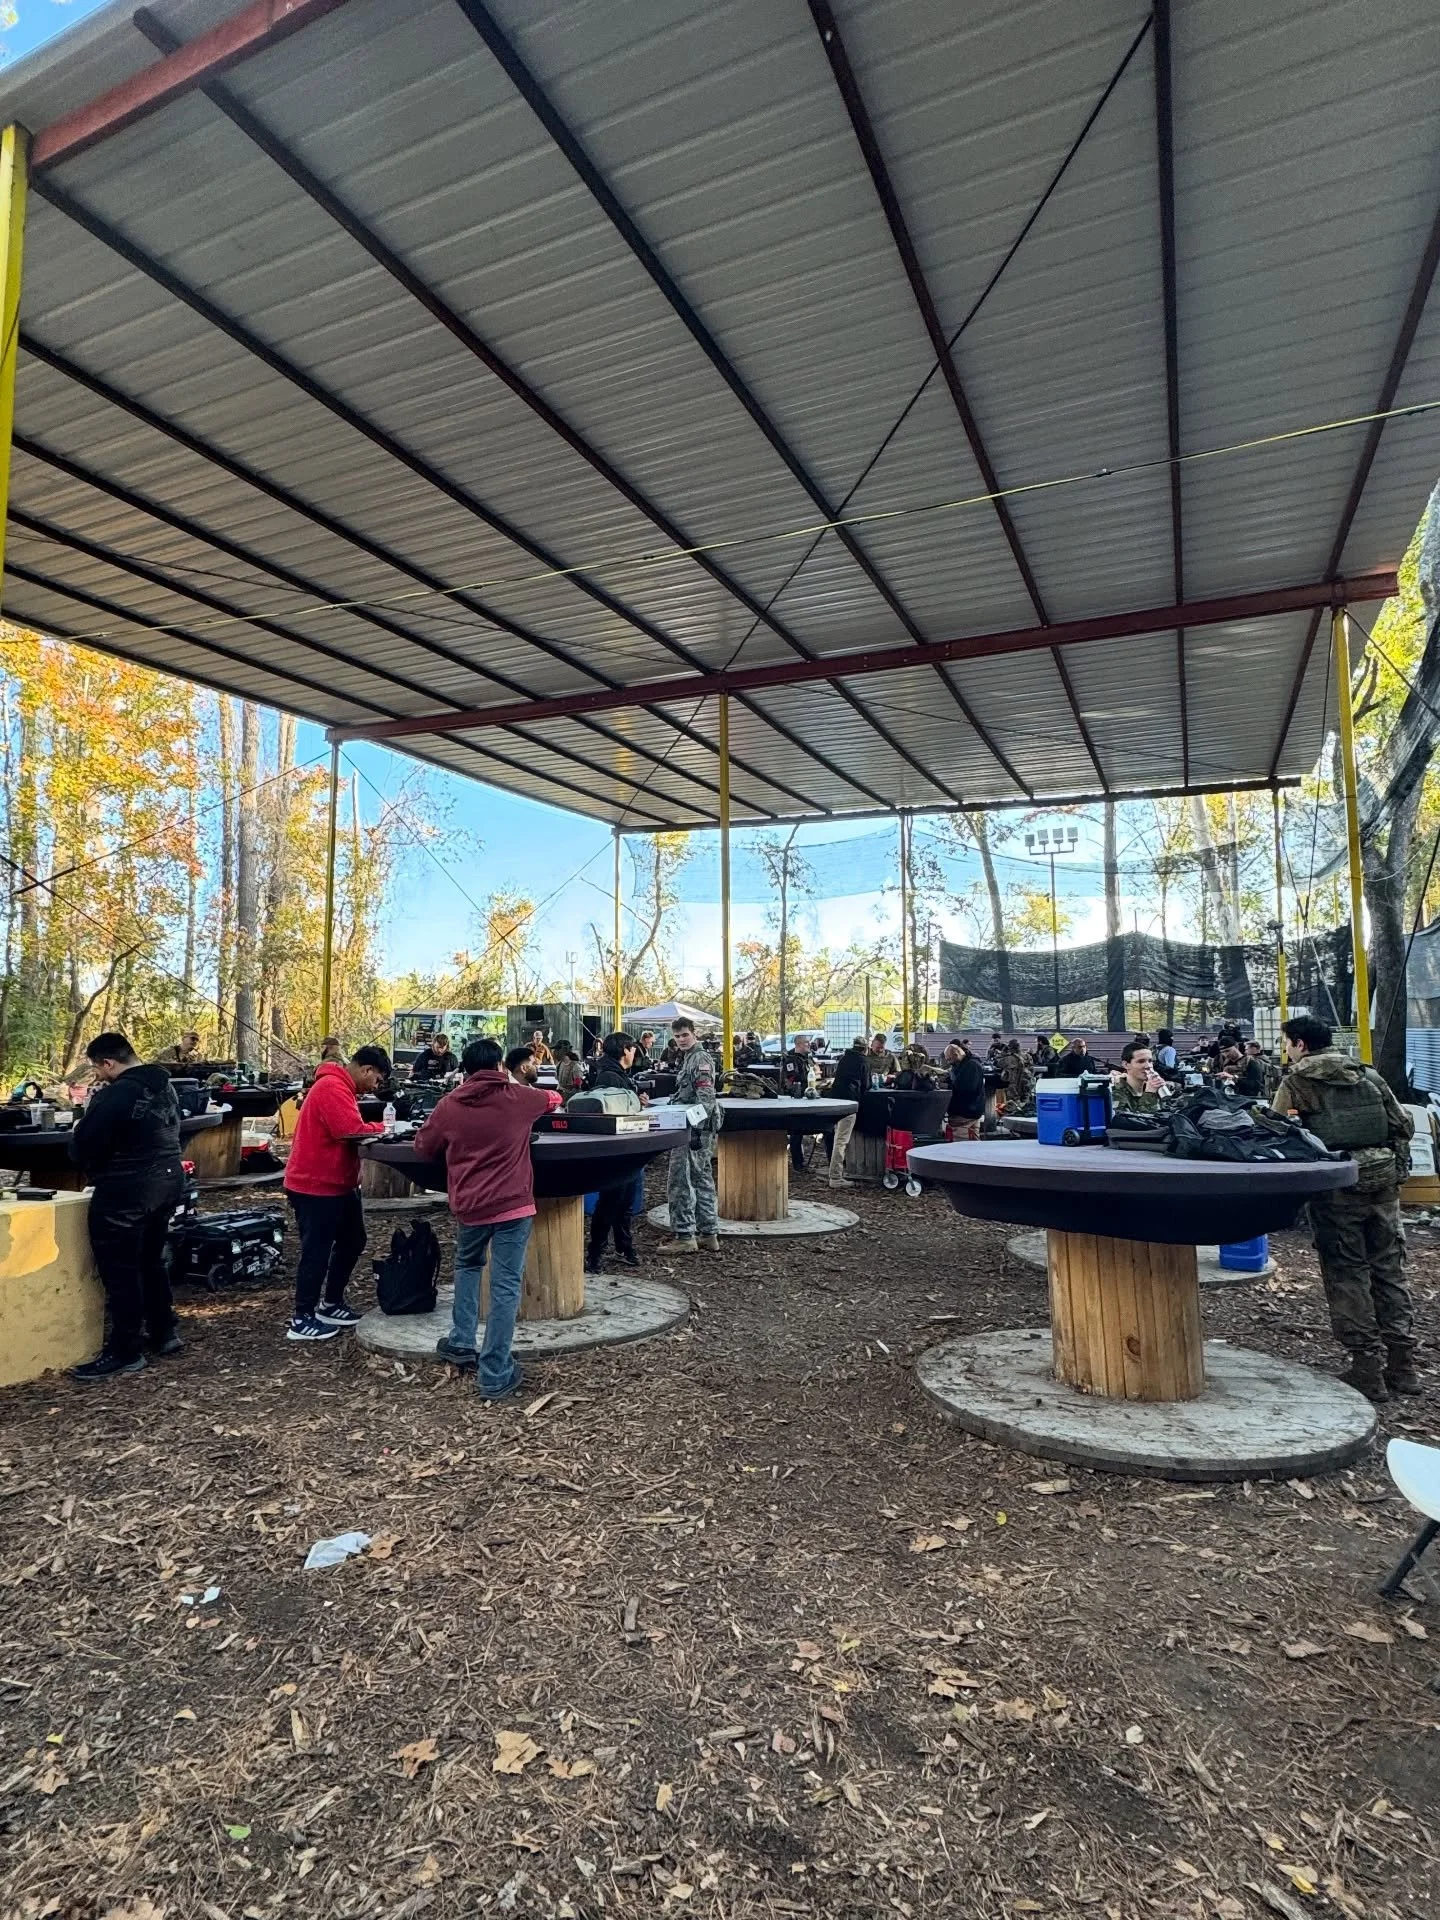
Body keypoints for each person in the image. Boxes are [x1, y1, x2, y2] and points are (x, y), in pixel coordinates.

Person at [1273, 1016, 1418, 1402]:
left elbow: (1279, 1135)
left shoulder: (1297, 1083)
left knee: (1347, 1273)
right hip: (1383, 1188)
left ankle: (1366, 1368)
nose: (1286, 1049)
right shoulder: (1368, 1076)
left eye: (1287, 1042)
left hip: (1336, 1191)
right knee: (1389, 1271)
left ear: (1300, 1045)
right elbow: (1402, 1125)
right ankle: (1403, 1366)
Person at [414, 1036, 553, 1400]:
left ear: (465, 1068)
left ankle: (461, 1340)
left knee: (468, 1266)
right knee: (505, 1286)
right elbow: (554, 1099)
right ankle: (495, 1371)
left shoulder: (449, 1105)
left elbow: (424, 1147)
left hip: (471, 1206)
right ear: (500, 1067)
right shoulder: (519, 1099)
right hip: (513, 1205)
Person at [66, 1032, 186, 1380]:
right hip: (167, 1182)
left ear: (109, 1062)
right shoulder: (165, 1085)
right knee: (151, 1260)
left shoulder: (117, 1094)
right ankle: (164, 1331)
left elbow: (83, 1146)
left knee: (120, 1270)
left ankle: (124, 1350)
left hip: (126, 1190)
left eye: (98, 1068)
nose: (99, 1076)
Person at [281, 1043, 391, 1341]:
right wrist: (385, 1127)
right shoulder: (331, 1086)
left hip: (338, 1184)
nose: (375, 1086)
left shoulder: (340, 1087)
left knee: (353, 1240)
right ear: (367, 1069)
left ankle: (330, 1303)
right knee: (315, 1250)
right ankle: (302, 1317)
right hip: (315, 1185)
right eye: (377, 1079)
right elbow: (348, 1130)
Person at [585, 1032, 645, 1274]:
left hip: (624, 1147)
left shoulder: (614, 1073)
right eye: (632, 1049)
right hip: (616, 1149)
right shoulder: (610, 1076)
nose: (635, 1054)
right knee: (610, 1202)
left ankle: (623, 1246)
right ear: (624, 1050)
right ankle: (595, 1254)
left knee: (625, 1201)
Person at [661, 1016, 720, 1255]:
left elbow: (706, 1100)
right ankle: (708, 1232)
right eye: (677, 1036)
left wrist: (694, 1129)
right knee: (701, 1178)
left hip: (694, 1129)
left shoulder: (700, 1059)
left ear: (694, 1033)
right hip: (694, 1126)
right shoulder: (690, 1058)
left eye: (685, 1035)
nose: (681, 1040)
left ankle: (685, 1235)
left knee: (680, 1180)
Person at [824, 1035, 867, 1187]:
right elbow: (865, 1085)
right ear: (864, 1049)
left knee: (835, 1136)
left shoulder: (843, 1058)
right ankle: (835, 1176)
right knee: (841, 1140)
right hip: (849, 1102)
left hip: (834, 1100)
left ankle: (832, 1168)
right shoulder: (863, 1061)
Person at [782, 1033, 816, 1170]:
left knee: (801, 1130)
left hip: (808, 1097)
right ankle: (797, 1163)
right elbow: (794, 1078)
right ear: (798, 1044)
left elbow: (816, 1071)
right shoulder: (790, 1060)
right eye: (806, 1043)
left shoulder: (807, 1059)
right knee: (796, 1131)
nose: (809, 1045)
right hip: (795, 1099)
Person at [943, 1039, 986, 1140]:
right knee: (973, 1139)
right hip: (974, 1109)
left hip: (965, 1110)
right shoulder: (967, 1063)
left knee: (961, 1142)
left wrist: (948, 1085)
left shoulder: (970, 1066)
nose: (948, 1062)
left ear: (957, 1054)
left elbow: (966, 1088)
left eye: (949, 1059)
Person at [1110, 1042, 1169, 1114]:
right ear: (1126, 1065)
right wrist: (1149, 1094)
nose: (1148, 1066)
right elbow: (1130, 1122)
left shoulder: (1155, 1087)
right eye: (1141, 1061)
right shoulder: (1115, 1092)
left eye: (1150, 1061)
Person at [1002, 1040, 1032, 1109]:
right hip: (1026, 1081)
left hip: (1014, 1084)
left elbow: (997, 1062)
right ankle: (1024, 1106)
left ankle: (1015, 1109)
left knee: (1012, 1096)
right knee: (1026, 1095)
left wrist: (1003, 1052)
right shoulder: (1027, 1056)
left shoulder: (1010, 1058)